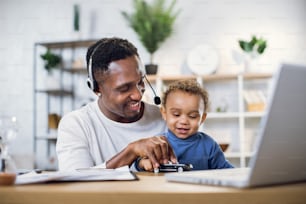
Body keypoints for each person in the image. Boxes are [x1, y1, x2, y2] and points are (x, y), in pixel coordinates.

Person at [56, 37, 177, 171]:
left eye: (141, 82)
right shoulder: (77, 124)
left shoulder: (164, 118)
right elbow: (74, 182)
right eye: (124, 88)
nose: (138, 95)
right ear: (96, 88)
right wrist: (131, 152)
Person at [137, 79, 234, 171]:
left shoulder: (209, 145)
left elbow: (226, 171)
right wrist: (143, 163)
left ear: (202, 118)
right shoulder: (158, 142)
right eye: (176, 114)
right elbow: (138, 163)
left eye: (192, 116)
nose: (183, 121)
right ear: (164, 113)